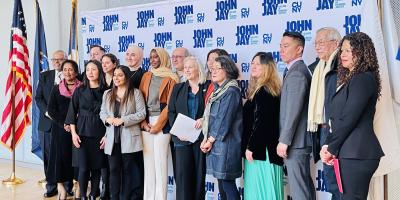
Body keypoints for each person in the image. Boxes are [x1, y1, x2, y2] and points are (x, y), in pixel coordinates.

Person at [320, 32, 384, 200]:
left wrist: (330, 148)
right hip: (350, 153)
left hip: (357, 154)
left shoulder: (362, 79)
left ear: (362, 52)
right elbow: (338, 118)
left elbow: (349, 118)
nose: (343, 54)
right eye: (342, 50)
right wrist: (328, 145)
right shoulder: (353, 78)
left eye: (349, 50)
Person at [276, 31, 315, 200]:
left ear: (299, 49)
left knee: (300, 190)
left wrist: (284, 140)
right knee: (303, 186)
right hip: (297, 142)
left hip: (296, 142)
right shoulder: (293, 70)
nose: (281, 50)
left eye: (286, 46)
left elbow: (293, 111)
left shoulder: (297, 72)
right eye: (280, 46)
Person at [100, 65, 146, 200]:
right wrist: (108, 119)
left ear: (126, 77)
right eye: (114, 75)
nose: (116, 78)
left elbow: (142, 113)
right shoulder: (107, 94)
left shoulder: (135, 93)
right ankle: (114, 197)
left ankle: (125, 197)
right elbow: (102, 112)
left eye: (120, 75)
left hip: (130, 139)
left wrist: (123, 120)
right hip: (112, 139)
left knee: (128, 171)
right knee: (113, 170)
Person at [242, 52, 284, 200]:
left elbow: (262, 122)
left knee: (262, 193)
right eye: (252, 63)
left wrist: (251, 147)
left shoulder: (265, 90)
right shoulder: (262, 90)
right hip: (261, 152)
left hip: (262, 153)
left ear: (267, 67)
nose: (253, 66)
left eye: (257, 64)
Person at [200, 55, 242, 200]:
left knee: (227, 185)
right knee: (223, 185)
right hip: (217, 144)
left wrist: (209, 140)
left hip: (226, 145)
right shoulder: (218, 90)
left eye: (218, 68)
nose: (214, 71)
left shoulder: (231, 91)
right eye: (213, 68)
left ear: (228, 70)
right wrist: (207, 139)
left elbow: (223, 120)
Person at [139, 48, 178, 200]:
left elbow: (170, 105)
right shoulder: (146, 76)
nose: (153, 60)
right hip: (146, 122)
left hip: (163, 123)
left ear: (163, 58)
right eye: (151, 57)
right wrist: (143, 123)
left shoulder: (171, 78)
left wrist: (158, 125)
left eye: (156, 57)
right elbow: (140, 101)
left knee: (160, 161)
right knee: (148, 162)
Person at [308, 27, 342, 200]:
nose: (317, 46)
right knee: (330, 179)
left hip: (335, 129)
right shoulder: (316, 67)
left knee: (338, 181)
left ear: (336, 43)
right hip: (322, 128)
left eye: (321, 42)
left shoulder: (341, 66)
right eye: (316, 43)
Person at [168, 56, 209, 200]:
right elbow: (171, 112)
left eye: (190, 67)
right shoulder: (178, 88)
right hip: (181, 140)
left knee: (198, 178)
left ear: (198, 69)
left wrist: (204, 119)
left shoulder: (208, 87)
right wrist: (178, 132)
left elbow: (214, 111)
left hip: (200, 140)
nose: (187, 70)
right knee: (183, 178)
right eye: (185, 67)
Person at [65, 60, 107, 200]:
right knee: (83, 168)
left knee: (97, 168)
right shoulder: (80, 90)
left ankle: (93, 195)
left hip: (100, 133)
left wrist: (107, 135)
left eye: (93, 69)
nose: (90, 72)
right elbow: (72, 112)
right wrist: (73, 134)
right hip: (81, 132)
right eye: (88, 69)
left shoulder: (107, 91)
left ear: (99, 71)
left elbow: (112, 114)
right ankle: (83, 196)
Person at [35, 50, 74, 198]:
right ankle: (51, 186)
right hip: (47, 124)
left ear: (65, 60)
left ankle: (69, 186)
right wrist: (48, 112)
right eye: (54, 59)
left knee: (66, 154)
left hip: (66, 124)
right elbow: (38, 98)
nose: (57, 62)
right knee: (48, 156)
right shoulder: (45, 76)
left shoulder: (73, 77)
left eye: (60, 59)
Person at [47, 60, 81, 200]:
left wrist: (73, 123)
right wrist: (64, 124)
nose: (68, 72)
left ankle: (79, 187)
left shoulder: (82, 88)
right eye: (65, 69)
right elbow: (51, 109)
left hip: (78, 129)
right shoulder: (56, 88)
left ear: (76, 72)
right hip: (60, 130)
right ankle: (61, 188)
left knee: (78, 159)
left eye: (71, 69)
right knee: (60, 159)